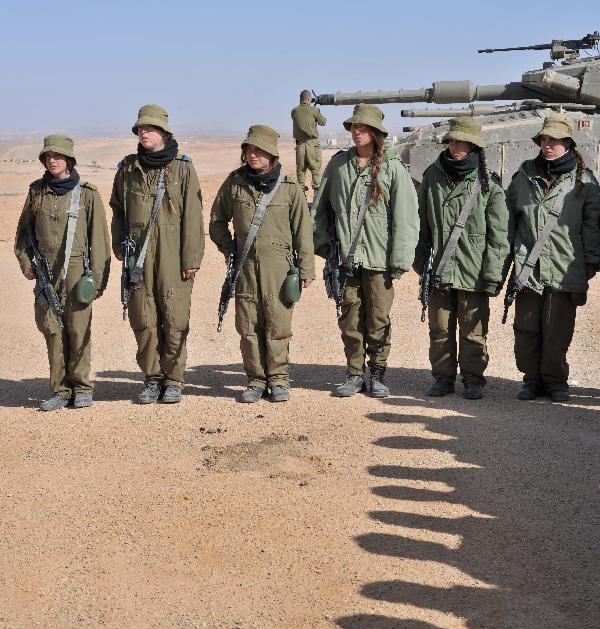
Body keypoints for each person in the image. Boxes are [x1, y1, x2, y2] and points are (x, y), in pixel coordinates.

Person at [312, 103, 418, 398]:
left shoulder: (392, 167)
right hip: (345, 257)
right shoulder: (338, 165)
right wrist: (323, 247)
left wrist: (399, 260)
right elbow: (319, 209)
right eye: (353, 127)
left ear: (375, 133)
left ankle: (379, 373)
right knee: (349, 317)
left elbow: (406, 218)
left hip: (378, 258)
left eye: (363, 128)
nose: (357, 132)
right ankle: (355, 374)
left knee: (378, 319)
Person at [209, 125, 315, 403]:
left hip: (279, 268)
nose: (252, 154)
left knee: (278, 326)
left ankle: (278, 379)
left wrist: (306, 269)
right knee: (248, 326)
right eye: (248, 149)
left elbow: (303, 231)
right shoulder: (234, 183)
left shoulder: (290, 188)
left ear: (271, 153)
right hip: (245, 266)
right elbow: (217, 221)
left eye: (258, 150)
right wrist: (229, 249)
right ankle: (255, 380)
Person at [110, 104, 205, 404]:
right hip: (138, 257)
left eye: (149, 128)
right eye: (140, 128)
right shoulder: (127, 169)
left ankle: (174, 380)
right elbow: (118, 211)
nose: (143, 133)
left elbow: (193, 215)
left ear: (164, 132)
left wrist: (191, 259)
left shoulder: (183, 167)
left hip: (174, 256)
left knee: (174, 319)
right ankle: (152, 379)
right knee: (145, 320)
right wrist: (120, 249)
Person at [414, 117, 511, 400]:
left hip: (474, 268)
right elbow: (421, 225)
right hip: (438, 268)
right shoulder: (433, 176)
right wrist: (422, 265)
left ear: (473, 145)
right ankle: (443, 378)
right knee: (440, 329)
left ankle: (473, 380)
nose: (454, 146)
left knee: (473, 332)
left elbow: (499, 235)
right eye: (451, 141)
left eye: (460, 141)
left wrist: (492, 275)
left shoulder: (488, 183)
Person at [507, 114, 600, 402]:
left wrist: (590, 263)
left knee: (557, 331)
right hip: (528, 267)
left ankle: (556, 380)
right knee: (526, 329)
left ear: (568, 143)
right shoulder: (523, 176)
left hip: (564, 267)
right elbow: (509, 221)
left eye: (554, 140)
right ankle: (531, 380)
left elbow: (592, 225)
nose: (548, 145)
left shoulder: (584, 182)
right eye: (544, 140)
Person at [14, 135, 111, 411]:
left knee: (78, 329)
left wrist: (99, 280)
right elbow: (23, 234)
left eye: (57, 156)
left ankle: (82, 387)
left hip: (78, 271)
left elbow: (100, 240)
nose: (52, 161)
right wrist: (25, 262)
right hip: (46, 272)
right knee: (52, 329)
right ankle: (60, 390)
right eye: (48, 157)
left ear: (69, 159)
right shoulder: (36, 192)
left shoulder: (87, 193)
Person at [291, 90, 327, 197]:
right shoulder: (313, 110)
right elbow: (323, 122)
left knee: (300, 172)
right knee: (315, 170)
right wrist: (317, 111)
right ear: (308, 99)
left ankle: (302, 198)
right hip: (312, 145)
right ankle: (317, 197)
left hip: (300, 146)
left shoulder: (294, 111)